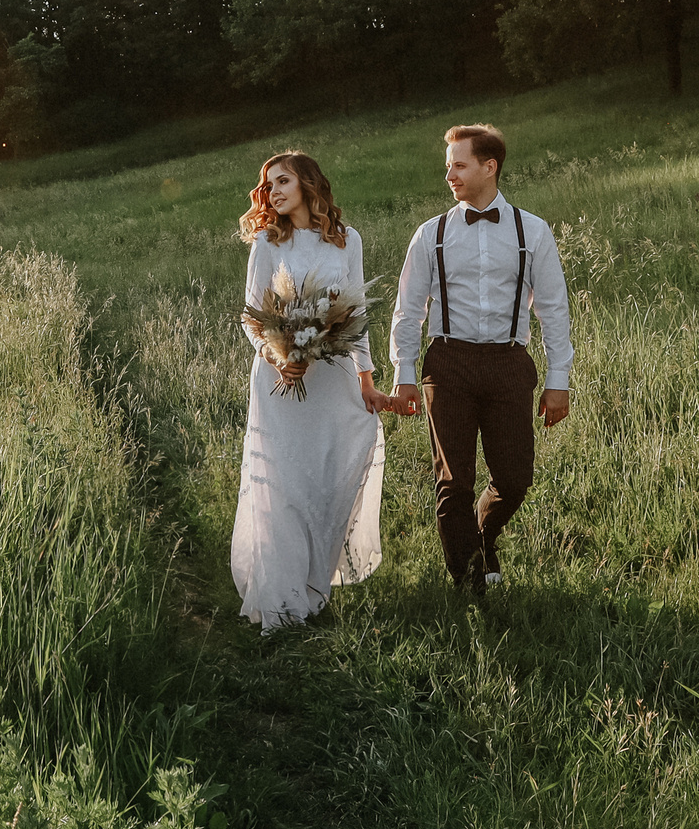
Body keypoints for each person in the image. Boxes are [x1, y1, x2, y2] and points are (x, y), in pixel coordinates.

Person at [385, 124, 572, 592]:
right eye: (447, 166)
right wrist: (403, 373)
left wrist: (559, 379)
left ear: (490, 167)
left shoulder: (534, 231)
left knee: (514, 478)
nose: (449, 175)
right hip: (448, 364)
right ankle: (472, 587)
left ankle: (483, 535)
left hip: (510, 363)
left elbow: (553, 309)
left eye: (459, 165)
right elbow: (409, 309)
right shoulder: (432, 234)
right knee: (453, 484)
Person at [230, 151, 391, 631]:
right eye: (268, 184)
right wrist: (280, 355)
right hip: (280, 383)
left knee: (330, 478)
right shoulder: (267, 242)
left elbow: (356, 317)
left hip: (333, 379)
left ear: (307, 183)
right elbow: (251, 316)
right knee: (286, 484)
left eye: (283, 181)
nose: (273, 191)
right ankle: (282, 601)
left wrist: (368, 381)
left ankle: (316, 585)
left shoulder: (346, 240)